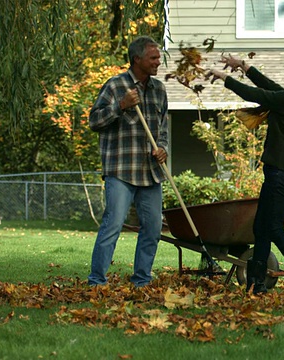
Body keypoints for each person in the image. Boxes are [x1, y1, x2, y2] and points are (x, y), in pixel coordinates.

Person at [210, 55, 284, 296]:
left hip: (280, 174)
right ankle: (257, 284)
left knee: (274, 229)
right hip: (280, 173)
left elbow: (257, 95)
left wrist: (225, 78)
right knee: (262, 228)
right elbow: (269, 87)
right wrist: (244, 67)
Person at [87, 36, 169, 287]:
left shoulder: (159, 90)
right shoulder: (115, 86)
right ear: (137, 59)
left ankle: (141, 280)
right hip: (121, 171)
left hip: (150, 173)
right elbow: (94, 122)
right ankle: (96, 282)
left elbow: (163, 129)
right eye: (153, 58)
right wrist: (121, 105)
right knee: (113, 225)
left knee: (153, 230)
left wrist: (163, 148)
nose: (158, 62)